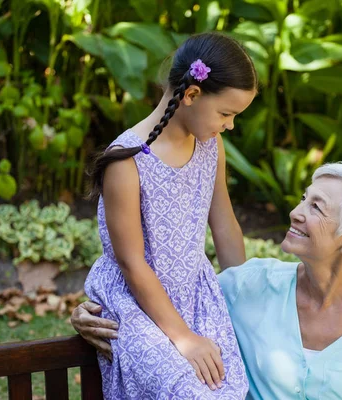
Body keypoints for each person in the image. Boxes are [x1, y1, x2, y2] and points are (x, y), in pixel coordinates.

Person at [75, 162, 342, 399]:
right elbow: (173, 303)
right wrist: (95, 313)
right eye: (304, 198)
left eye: (316, 207)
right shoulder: (250, 286)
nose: (295, 212)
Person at [84, 32, 257, 399]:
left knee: (228, 388)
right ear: (192, 95)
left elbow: (224, 224)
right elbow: (132, 264)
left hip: (195, 295)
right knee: (184, 391)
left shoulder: (211, 145)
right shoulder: (127, 161)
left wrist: (245, 294)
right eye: (226, 114)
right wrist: (184, 338)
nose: (229, 125)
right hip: (137, 302)